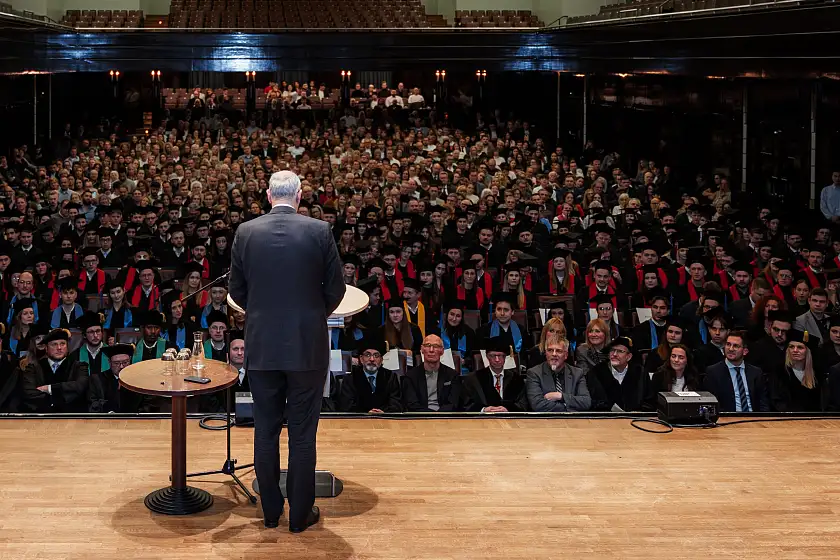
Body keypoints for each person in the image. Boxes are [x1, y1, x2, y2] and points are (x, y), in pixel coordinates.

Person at [228, 170, 345, 533]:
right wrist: (310, 316)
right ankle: (299, 516)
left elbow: (236, 291)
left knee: (264, 431)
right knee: (302, 432)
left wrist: (264, 314)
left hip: (262, 346)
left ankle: (269, 512)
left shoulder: (245, 232)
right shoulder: (319, 231)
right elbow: (337, 290)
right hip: (306, 347)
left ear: (268, 195)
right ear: (299, 196)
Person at [20, 328, 89, 412]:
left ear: (67, 347)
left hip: (71, 418)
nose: (59, 348)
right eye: (54, 344)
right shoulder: (33, 368)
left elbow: (80, 386)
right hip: (41, 417)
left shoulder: (79, 367)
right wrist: (59, 398)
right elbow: (29, 392)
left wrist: (50, 388)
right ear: (46, 348)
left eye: (62, 344)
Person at [702, 331, 770, 412]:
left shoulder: (756, 372)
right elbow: (712, 405)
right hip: (728, 418)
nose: (730, 349)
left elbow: (763, 402)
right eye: (728, 344)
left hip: (753, 418)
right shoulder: (713, 372)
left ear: (745, 351)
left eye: (736, 346)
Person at [525, 333, 591, 412]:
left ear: (566, 355)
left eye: (559, 351)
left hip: (573, 422)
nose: (554, 354)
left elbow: (586, 402)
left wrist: (561, 396)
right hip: (545, 422)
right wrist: (568, 407)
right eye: (550, 350)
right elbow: (537, 405)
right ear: (545, 354)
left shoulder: (577, 373)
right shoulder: (534, 373)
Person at [339, 333, 402, 414]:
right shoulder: (351, 378)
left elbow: (396, 404)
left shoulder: (390, 377)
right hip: (358, 422)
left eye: (376, 355)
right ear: (361, 359)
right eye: (368, 355)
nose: (372, 359)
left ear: (381, 360)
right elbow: (346, 406)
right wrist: (366, 412)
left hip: (385, 420)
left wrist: (383, 412)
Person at [401, 334, 465, 412]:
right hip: (420, 418)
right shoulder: (410, 376)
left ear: (442, 351)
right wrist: (431, 415)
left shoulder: (452, 375)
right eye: (428, 345)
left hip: (446, 418)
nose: (431, 350)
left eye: (436, 346)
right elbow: (412, 404)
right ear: (422, 349)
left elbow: (453, 403)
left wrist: (438, 416)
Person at [464, 336, 527, 412]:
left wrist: (508, 409)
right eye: (493, 356)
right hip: (482, 420)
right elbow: (465, 405)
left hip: (510, 420)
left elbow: (523, 405)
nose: (497, 360)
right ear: (487, 357)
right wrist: (483, 410)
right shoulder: (473, 379)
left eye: (500, 356)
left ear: (505, 357)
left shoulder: (517, 380)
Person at [588, 336, 648, 412]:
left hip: (636, 419)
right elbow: (595, 402)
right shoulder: (597, 372)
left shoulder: (640, 372)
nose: (615, 354)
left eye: (620, 351)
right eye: (612, 350)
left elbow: (648, 401)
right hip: (607, 419)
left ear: (629, 357)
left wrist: (639, 413)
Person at [769, 329, 824, 412]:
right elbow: (776, 400)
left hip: (814, 419)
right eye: (791, 347)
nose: (795, 350)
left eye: (800, 347)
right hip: (787, 418)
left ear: (808, 352)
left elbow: (822, 402)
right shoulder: (779, 371)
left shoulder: (817, 374)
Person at [88, 343, 147, 413]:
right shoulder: (97, 380)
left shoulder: (139, 380)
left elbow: (146, 405)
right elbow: (93, 405)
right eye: (116, 363)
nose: (121, 366)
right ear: (109, 362)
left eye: (125, 362)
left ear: (130, 360)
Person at [645, 344, 701, 410]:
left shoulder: (694, 377)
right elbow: (652, 403)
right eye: (673, 356)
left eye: (681, 357)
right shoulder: (659, 376)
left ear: (687, 361)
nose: (676, 360)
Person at [70, 311, 108, 376]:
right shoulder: (75, 356)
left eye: (98, 331)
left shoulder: (110, 354)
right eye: (91, 332)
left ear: (102, 333)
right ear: (84, 335)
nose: (95, 335)